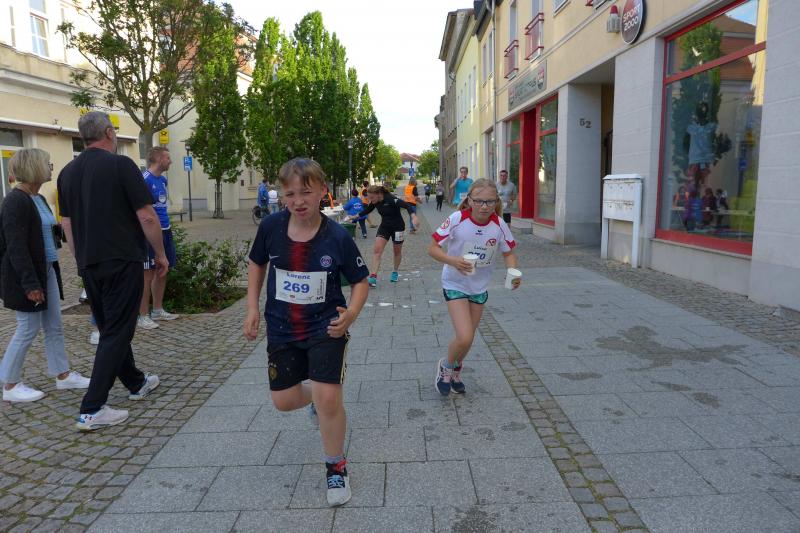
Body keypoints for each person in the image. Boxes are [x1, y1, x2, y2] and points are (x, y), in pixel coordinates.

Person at [243, 158, 369, 507]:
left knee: (329, 398)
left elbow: (360, 281)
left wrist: (352, 314)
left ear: (323, 192)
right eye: (290, 194)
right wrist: (252, 308)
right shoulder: (271, 227)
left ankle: (336, 467)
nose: (298, 201)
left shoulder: (337, 237)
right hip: (282, 326)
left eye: (306, 193)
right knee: (283, 401)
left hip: (327, 326)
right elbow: (256, 263)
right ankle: (319, 399)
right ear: (281, 195)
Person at [58, 111, 165, 431]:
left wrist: (80, 258)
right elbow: (147, 215)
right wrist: (160, 253)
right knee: (118, 331)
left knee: (110, 327)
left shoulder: (66, 173)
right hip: (122, 258)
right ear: (108, 132)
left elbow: (67, 224)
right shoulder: (121, 165)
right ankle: (92, 408)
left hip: (89, 262)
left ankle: (135, 382)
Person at [0, 148, 90, 402]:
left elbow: (42, 233)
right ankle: (10, 385)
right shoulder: (15, 201)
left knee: (54, 325)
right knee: (27, 328)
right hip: (26, 276)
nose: (51, 167)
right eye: (47, 164)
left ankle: (63, 375)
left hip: (47, 269)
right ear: (34, 167)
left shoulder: (37, 198)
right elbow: (16, 247)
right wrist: (30, 284)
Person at [428, 178, 519, 396]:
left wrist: (513, 272)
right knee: (465, 336)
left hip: (479, 287)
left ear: (496, 201)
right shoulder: (458, 219)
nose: (484, 206)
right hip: (454, 283)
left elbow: (509, 253)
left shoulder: (499, 224)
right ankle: (446, 367)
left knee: (468, 340)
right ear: (469, 200)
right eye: (478, 201)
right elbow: (432, 248)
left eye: (489, 201)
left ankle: (455, 370)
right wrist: (453, 260)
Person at [139, 147, 179, 329]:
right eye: (168, 158)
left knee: (163, 268)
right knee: (147, 274)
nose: (170, 161)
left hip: (165, 229)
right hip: (149, 233)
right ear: (159, 159)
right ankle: (143, 316)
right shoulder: (144, 180)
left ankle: (157, 309)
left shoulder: (163, 180)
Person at [356, 185, 419, 287]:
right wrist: (355, 216)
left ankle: (395, 271)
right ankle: (373, 277)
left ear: (379, 194)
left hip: (398, 228)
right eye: (369, 198)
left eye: (372, 197)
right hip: (385, 227)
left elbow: (407, 205)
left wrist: (413, 216)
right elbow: (368, 210)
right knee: (377, 251)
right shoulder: (375, 201)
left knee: (396, 252)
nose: (370, 200)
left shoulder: (391, 199)